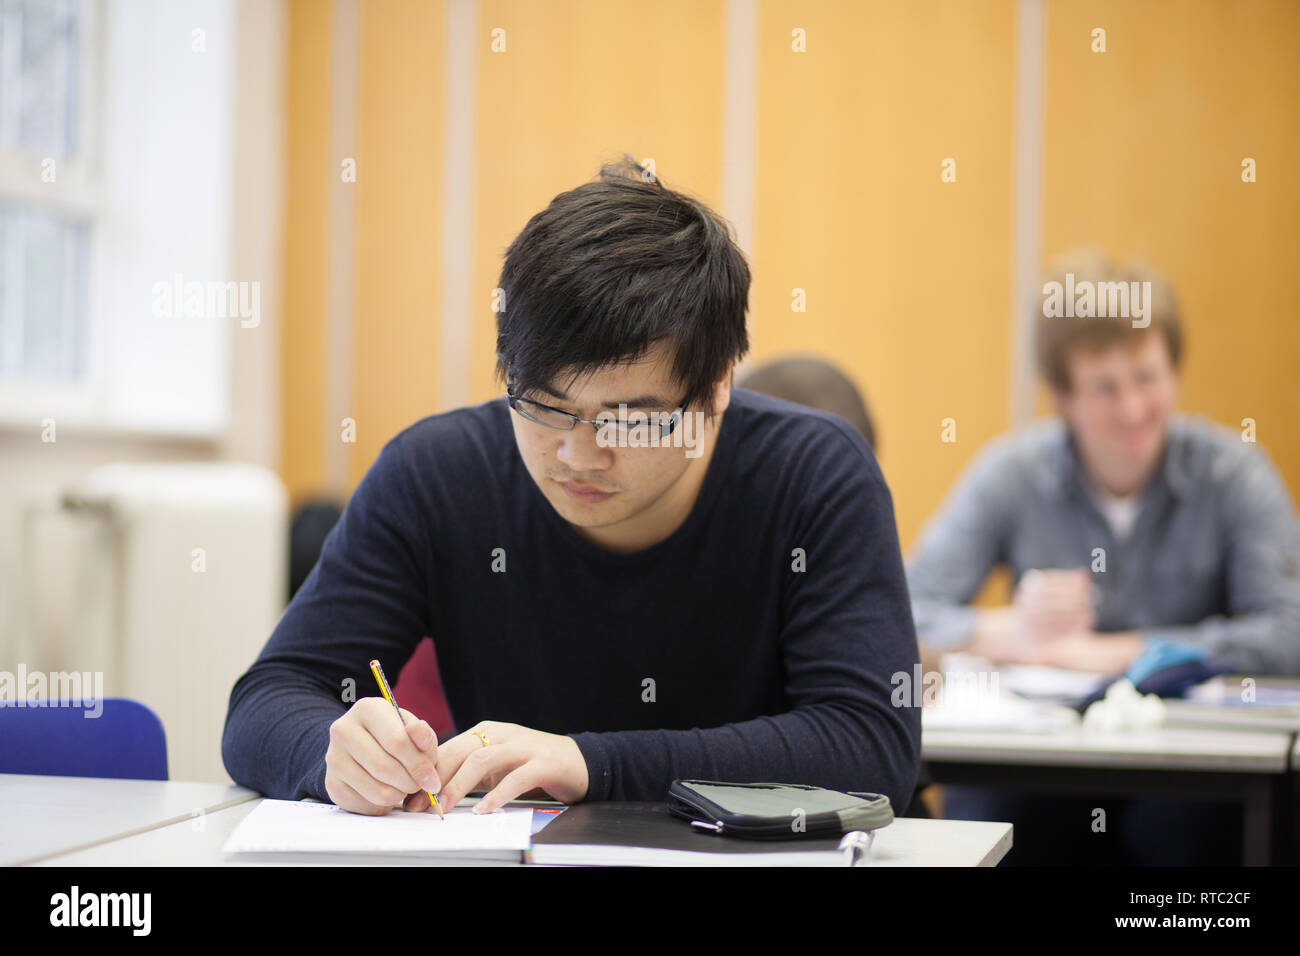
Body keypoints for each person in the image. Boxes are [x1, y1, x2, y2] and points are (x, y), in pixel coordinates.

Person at [222, 157, 921, 818]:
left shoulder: (814, 475)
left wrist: (593, 765)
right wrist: (335, 756)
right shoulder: (435, 474)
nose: (578, 455)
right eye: (546, 405)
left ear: (714, 393)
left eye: (630, 419)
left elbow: (869, 745)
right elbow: (266, 702)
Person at [907, 250, 1300, 864]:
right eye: (1105, 387)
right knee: (985, 820)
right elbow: (896, 606)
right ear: (1063, 396)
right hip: (1038, 765)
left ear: (1176, 370)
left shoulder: (1234, 475)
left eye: (1148, 378)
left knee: (1185, 830)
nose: (1133, 410)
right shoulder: (1012, 473)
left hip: (1191, 767)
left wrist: (1126, 652)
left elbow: (1289, 630)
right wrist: (1008, 631)